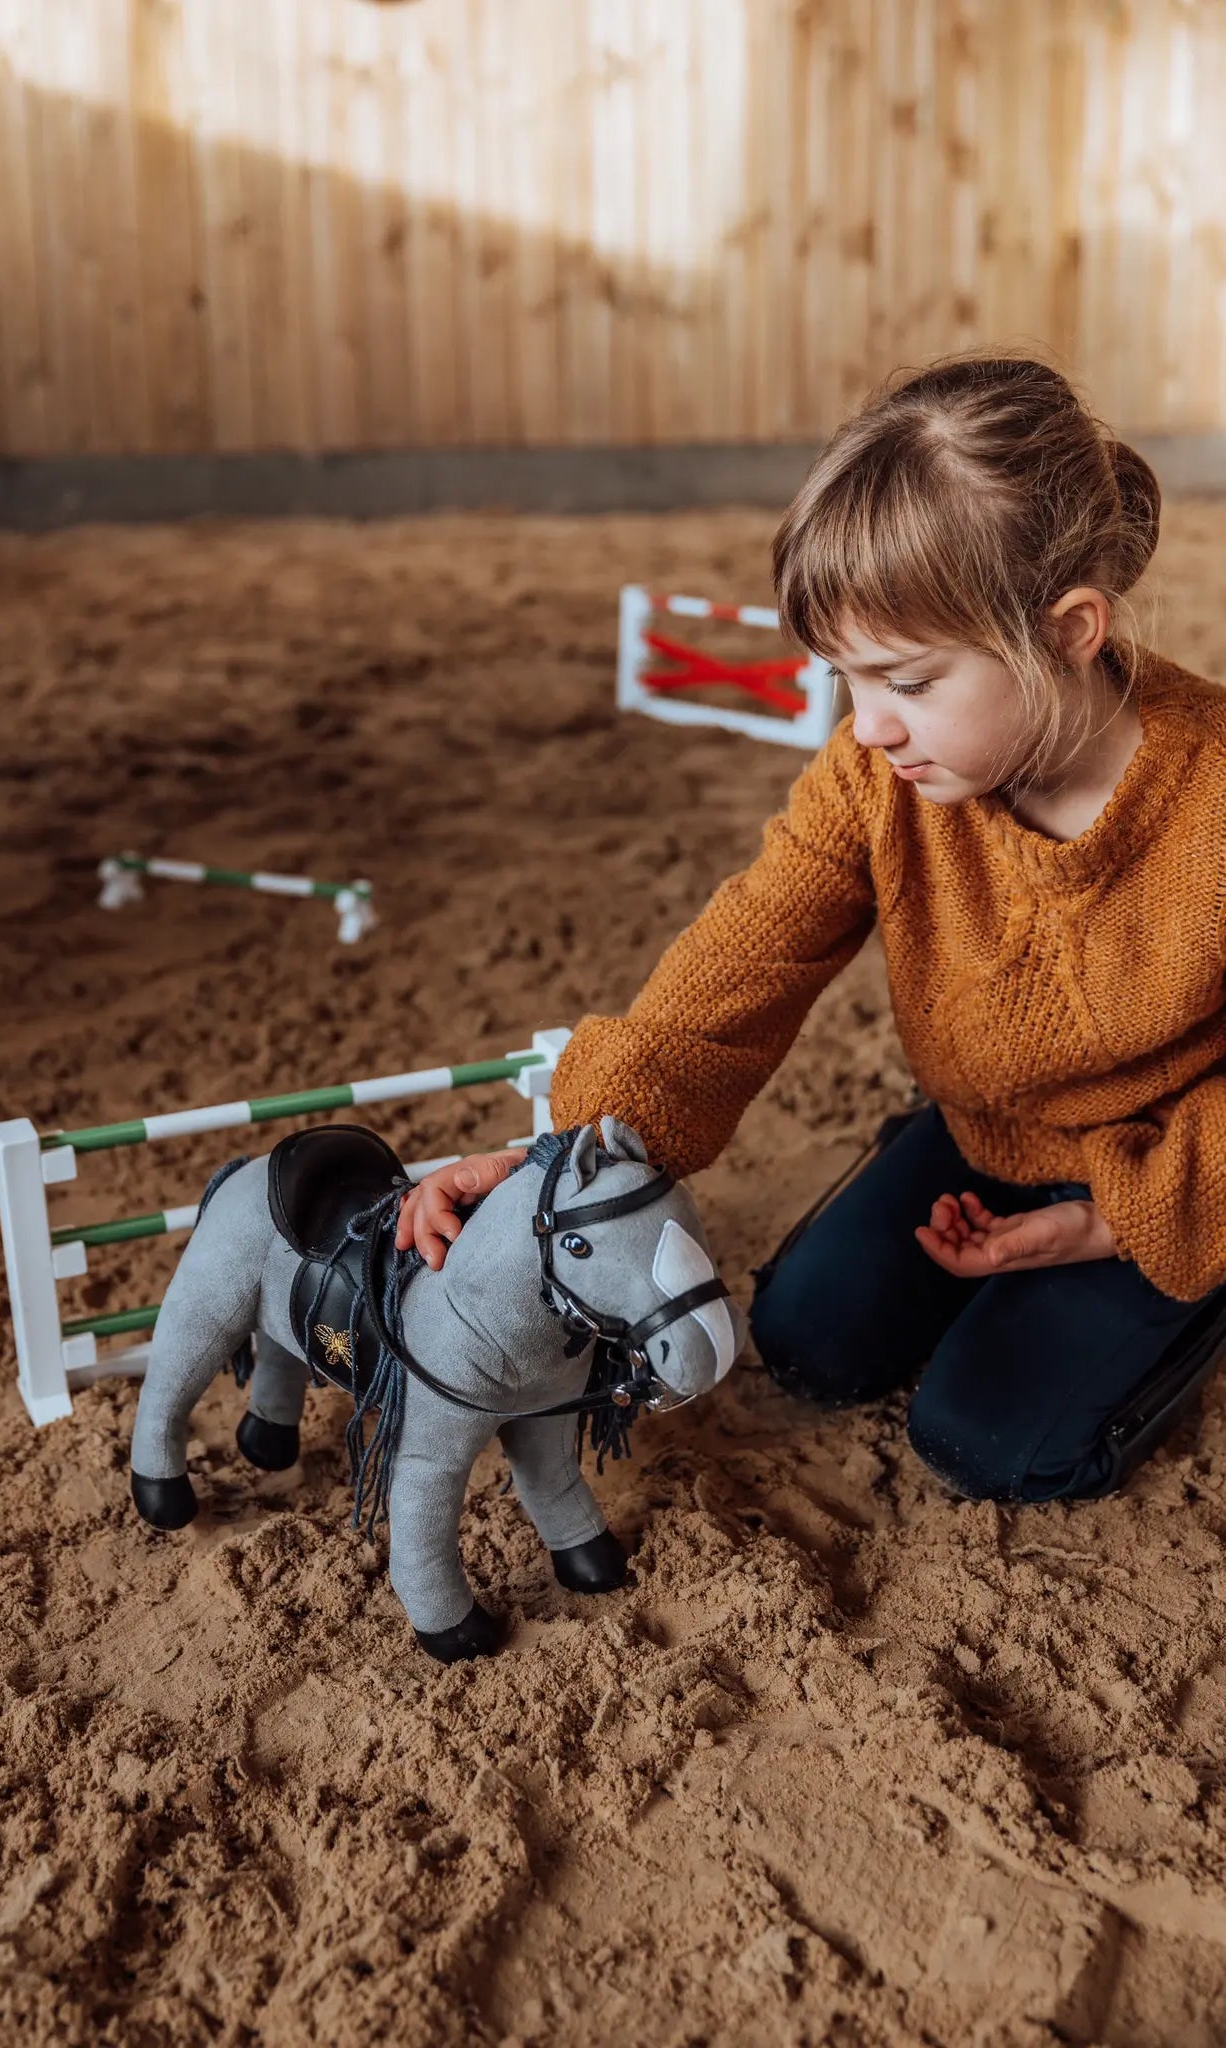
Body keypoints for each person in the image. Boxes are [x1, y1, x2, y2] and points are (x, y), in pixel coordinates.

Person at [397, 354, 1226, 1504]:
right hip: (987, 1130)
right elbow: (746, 958)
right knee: (806, 1338)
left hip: (1176, 1163)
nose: (868, 724)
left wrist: (1108, 1221)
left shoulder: (1214, 803)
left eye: (908, 679)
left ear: (1070, 629)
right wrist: (561, 1159)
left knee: (991, 1443)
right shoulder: (877, 771)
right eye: (842, 676)